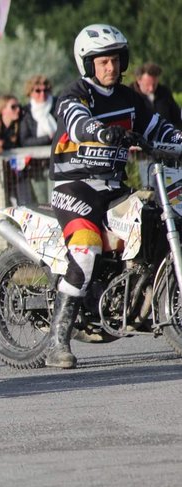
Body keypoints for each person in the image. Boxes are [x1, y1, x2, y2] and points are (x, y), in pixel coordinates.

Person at [46, 24, 182, 369]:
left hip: (112, 188)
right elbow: (77, 123)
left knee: (150, 218)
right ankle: (57, 342)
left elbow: (158, 127)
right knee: (87, 250)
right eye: (103, 61)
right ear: (88, 64)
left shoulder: (130, 98)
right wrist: (103, 132)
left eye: (116, 60)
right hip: (74, 187)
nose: (111, 67)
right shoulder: (74, 95)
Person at [20, 75, 58, 204]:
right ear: (30, 92)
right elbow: (25, 141)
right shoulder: (25, 112)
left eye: (45, 90)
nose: (42, 94)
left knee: (56, 201)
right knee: (42, 203)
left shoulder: (57, 106)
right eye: (37, 91)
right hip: (36, 167)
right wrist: (48, 138)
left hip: (56, 163)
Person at [130, 62, 182, 128]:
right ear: (139, 80)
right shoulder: (130, 95)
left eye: (154, 84)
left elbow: (177, 118)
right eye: (147, 85)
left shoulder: (165, 93)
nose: (151, 89)